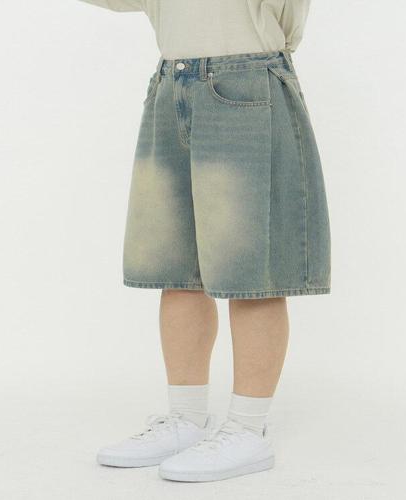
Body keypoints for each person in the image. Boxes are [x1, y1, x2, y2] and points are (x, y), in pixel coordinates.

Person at [79, 0, 330, 482]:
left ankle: (248, 428)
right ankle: (186, 418)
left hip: (249, 78)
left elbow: (288, 16)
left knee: (252, 270)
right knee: (176, 268)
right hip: (171, 81)